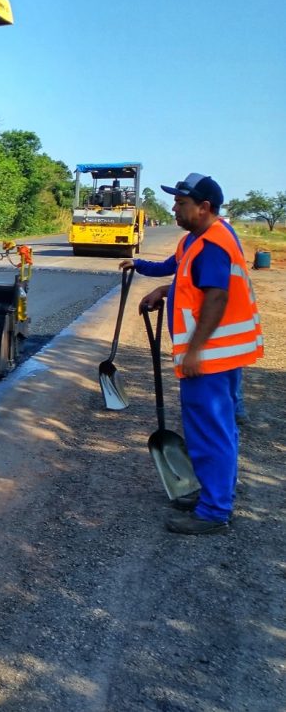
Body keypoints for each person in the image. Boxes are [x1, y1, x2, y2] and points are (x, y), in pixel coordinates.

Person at [121, 173, 263, 534]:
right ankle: (214, 495)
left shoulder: (213, 245)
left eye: (181, 203)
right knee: (219, 430)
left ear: (204, 208)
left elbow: (217, 297)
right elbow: (184, 274)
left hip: (211, 358)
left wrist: (196, 351)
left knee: (210, 433)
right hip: (221, 356)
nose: (173, 208)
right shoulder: (196, 241)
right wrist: (161, 287)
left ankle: (214, 511)